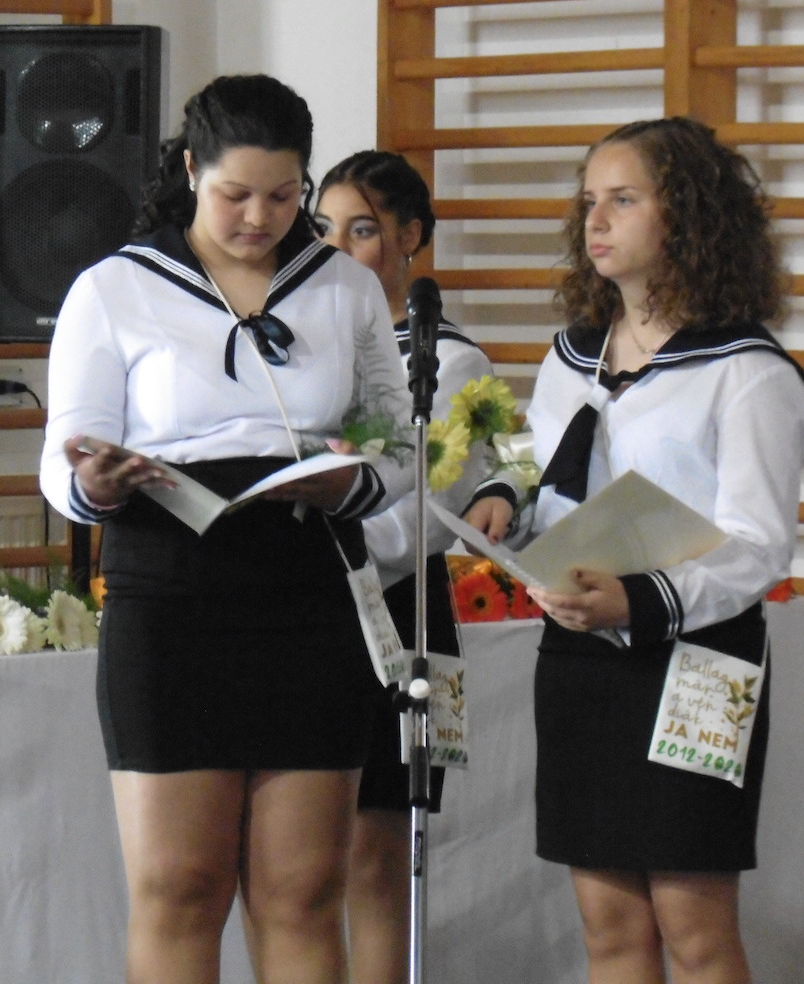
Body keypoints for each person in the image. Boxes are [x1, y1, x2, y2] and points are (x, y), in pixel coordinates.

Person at [40, 74, 414, 984]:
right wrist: (92, 481)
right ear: (189, 172)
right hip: (170, 590)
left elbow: (398, 442)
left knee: (302, 890)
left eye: (283, 196)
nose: (259, 218)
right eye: (235, 194)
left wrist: (353, 479)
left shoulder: (343, 288)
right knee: (180, 886)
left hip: (307, 588)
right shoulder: (115, 288)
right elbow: (61, 459)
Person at [462, 117, 804, 984]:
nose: (595, 221)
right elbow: (534, 455)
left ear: (688, 215)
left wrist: (641, 598)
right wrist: (502, 492)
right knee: (608, 926)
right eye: (589, 201)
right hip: (581, 653)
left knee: (693, 927)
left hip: (699, 658)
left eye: (623, 200)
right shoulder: (572, 355)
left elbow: (759, 546)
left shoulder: (747, 371)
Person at [313, 151, 492, 984]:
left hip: (401, 612)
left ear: (410, 236)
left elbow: (431, 514)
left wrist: (326, 535)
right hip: (317, 612)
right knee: (309, 855)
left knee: (375, 858)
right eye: (324, 229)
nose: (337, 249)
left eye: (362, 230)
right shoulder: (309, 346)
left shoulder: (450, 362)